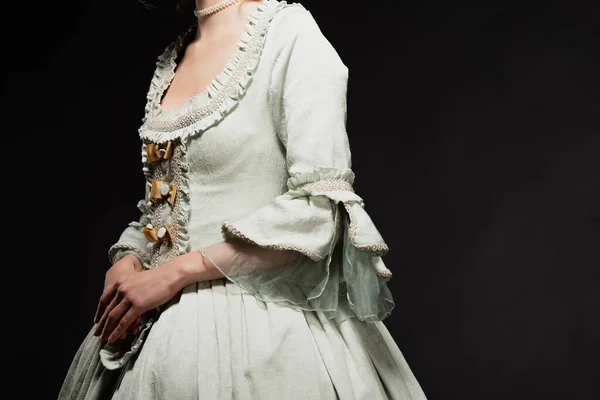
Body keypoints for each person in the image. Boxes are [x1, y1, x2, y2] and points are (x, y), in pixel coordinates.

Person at [58, 0, 429, 399]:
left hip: (264, 331)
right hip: (154, 338)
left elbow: (318, 211)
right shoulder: (176, 55)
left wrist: (175, 273)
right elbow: (167, 207)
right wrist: (129, 259)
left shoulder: (290, 34)